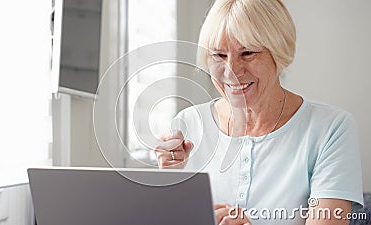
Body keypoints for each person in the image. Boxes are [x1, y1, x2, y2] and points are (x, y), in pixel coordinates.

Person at [154, 0, 364, 224]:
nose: (232, 71)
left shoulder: (331, 129)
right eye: (219, 56)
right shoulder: (188, 124)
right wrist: (168, 183)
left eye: (247, 53)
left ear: (279, 53)